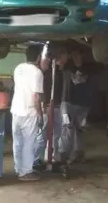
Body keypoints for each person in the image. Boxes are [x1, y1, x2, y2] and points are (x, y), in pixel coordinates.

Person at [11, 45, 44, 181]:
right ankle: (26, 172)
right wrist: (40, 113)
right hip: (29, 112)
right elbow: (36, 97)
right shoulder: (37, 72)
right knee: (29, 142)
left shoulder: (18, 68)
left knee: (17, 142)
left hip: (16, 110)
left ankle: (18, 169)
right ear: (38, 57)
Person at [33, 47, 68, 172]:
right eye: (64, 56)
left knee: (56, 134)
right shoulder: (44, 73)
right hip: (48, 107)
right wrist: (45, 105)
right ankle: (35, 160)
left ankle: (52, 157)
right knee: (42, 135)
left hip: (57, 106)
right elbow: (43, 92)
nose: (66, 59)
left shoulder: (58, 71)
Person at [59, 48, 96, 164]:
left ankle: (78, 154)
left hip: (82, 105)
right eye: (73, 55)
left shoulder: (88, 69)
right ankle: (63, 154)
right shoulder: (67, 69)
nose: (76, 58)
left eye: (77, 55)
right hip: (68, 103)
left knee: (78, 129)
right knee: (68, 128)